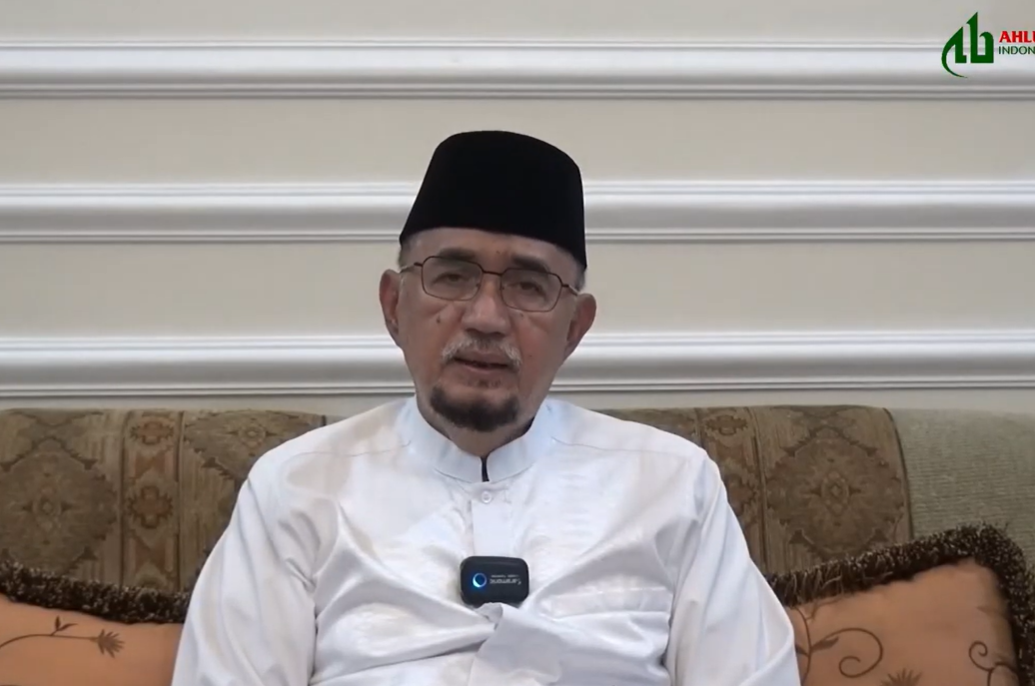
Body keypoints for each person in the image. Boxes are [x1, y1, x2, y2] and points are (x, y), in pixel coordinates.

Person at [170, 130, 802, 686]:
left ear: (574, 328)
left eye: (529, 286)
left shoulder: (672, 484)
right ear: (393, 306)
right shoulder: (296, 489)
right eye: (452, 275)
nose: (486, 317)